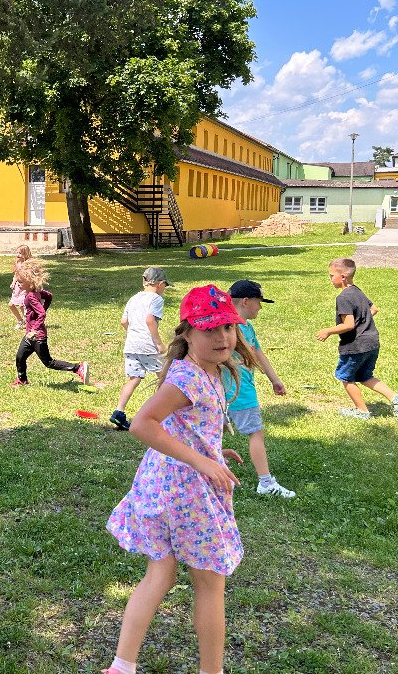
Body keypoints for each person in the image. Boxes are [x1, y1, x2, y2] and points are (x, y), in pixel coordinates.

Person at [103, 285, 254, 674]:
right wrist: (202, 462)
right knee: (210, 584)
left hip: (167, 485)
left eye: (227, 327)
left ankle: (122, 666)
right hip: (187, 494)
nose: (222, 337)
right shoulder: (189, 378)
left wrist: (213, 452)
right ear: (187, 333)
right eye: (209, 329)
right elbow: (143, 424)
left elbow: (183, 427)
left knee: (161, 574)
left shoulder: (206, 370)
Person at [223, 280, 295, 498]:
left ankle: (210, 468)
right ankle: (265, 482)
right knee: (256, 433)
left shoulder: (239, 326)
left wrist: (274, 379)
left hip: (223, 391)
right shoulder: (234, 327)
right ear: (245, 301)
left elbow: (258, 353)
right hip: (240, 391)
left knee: (215, 429)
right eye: (259, 302)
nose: (260, 307)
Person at [316, 257, 398, 422]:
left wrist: (328, 331)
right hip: (372, 342)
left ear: (342, 277)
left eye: (331, 276)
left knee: (345, 377)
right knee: (365, 376)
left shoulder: (343, 297)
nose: (330, 279)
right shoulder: (357, 291)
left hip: (355, 346)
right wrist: (363, 321)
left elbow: (349, 325)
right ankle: (395, 398)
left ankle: (362, 411)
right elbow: (374, 309)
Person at [11, 258, 90, 387]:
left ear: (30, 282)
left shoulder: (31, 296)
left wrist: (35, 329)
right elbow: (49, 296)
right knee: (20, 357)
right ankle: (22, 380)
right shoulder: (36, 292)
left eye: (20, 282)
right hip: (29, 336)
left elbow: (42, 313)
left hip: (37, 337)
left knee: (49, 362)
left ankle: (78, 368)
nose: (18, 284)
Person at [110, 267, 168, 431]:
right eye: (165, 285)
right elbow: (150, 320)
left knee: (134, 379)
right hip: (148, 346)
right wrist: (159, 343)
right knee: (164, 378)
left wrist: (133, 334)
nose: (164, 289)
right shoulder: (156, 299)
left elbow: (124, 321)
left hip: (131, 345)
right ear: (159, 284)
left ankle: (119, 411)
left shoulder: (133, 298)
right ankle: (167, 414)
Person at [8, 244, 32, 330]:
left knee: (22, 305)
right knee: (11, 304)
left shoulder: (28, 264)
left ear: (26, 254)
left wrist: (26, 284)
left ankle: (28, 322)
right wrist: (13, 283)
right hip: (17, 287)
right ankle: (20, 320)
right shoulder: (18, 263)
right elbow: (16, 274)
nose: (18, 255)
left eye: (20, 253)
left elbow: (30, 276)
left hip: (24, 287)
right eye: (17, 252)